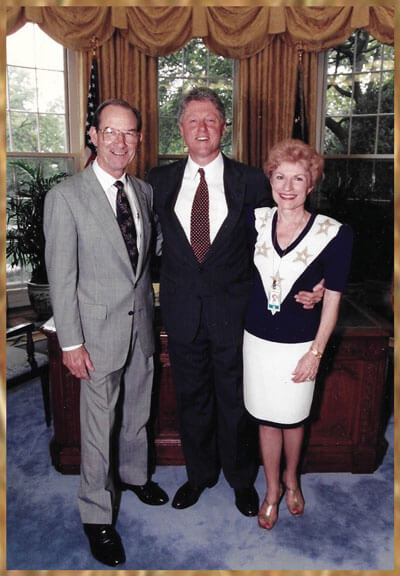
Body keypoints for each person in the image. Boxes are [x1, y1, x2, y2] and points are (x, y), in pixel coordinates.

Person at [147, 88, 324, 516]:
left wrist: (315, 281)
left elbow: (286, 234)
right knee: (192, 397)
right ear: (181, 129)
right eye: (193, 121)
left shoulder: (250, 181)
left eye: (211, 120)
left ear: (224, 127)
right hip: (182, 310)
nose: (202, 128)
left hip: (236, 313)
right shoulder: (157, 180)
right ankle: (199, 475)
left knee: (235, 399)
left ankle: (241, 480)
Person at [44, 99, 168, 567]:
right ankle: (97, 515)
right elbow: (62, 277)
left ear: (139, 140)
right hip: (95, 336)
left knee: (138, 407)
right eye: (111, 132)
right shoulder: (66, 197)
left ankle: (135, 476)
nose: (121, 142)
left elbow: (145, 256)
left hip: (140, 326)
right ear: (93, 135)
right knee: (98, 429)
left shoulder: (143, 191)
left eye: (130, 133)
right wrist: (71, 343)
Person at [243, 138, 353, 530]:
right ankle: (272, 489)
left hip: (301, 344)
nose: (287, 186)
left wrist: (315, 353)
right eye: (280, 176)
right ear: (270, 179)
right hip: (256, 341)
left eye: (298, 178)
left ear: (311, 184)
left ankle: (293, 478)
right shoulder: (253, 220)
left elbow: (334, 299)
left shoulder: (334, 233)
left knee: (292, 418)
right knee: (266, 419)